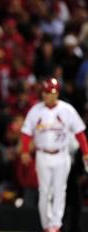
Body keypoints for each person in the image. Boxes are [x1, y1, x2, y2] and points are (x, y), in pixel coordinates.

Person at [20, 78, 88, 232]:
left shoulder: (67, 110)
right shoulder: (36, 110)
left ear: (57, 93)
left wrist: (86, 152)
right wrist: (24, 151)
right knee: (44, 191)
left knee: (59, 190)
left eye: (50, 93)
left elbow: (79, 132)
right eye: (45, 93)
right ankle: (47, 225)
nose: (47, 96)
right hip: (42, 154)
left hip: (62, 155)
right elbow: (26, 133)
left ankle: (55, 225)